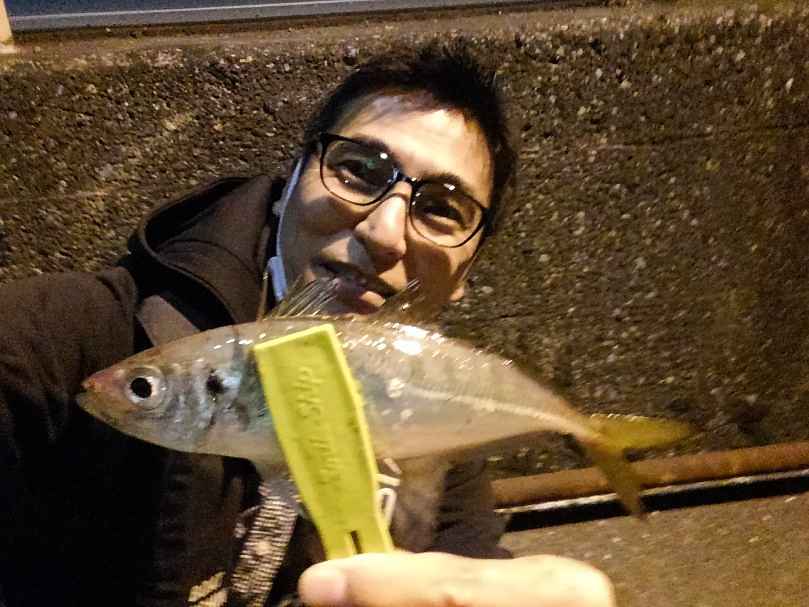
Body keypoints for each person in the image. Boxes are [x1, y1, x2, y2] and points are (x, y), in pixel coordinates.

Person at [0, 41, 615, 606]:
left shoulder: (435, 410)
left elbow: (465, 562)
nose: (384, 232)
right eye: (359, 170)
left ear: (465, 277)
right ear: (291, 180)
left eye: (441, 209)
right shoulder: (73, 337)